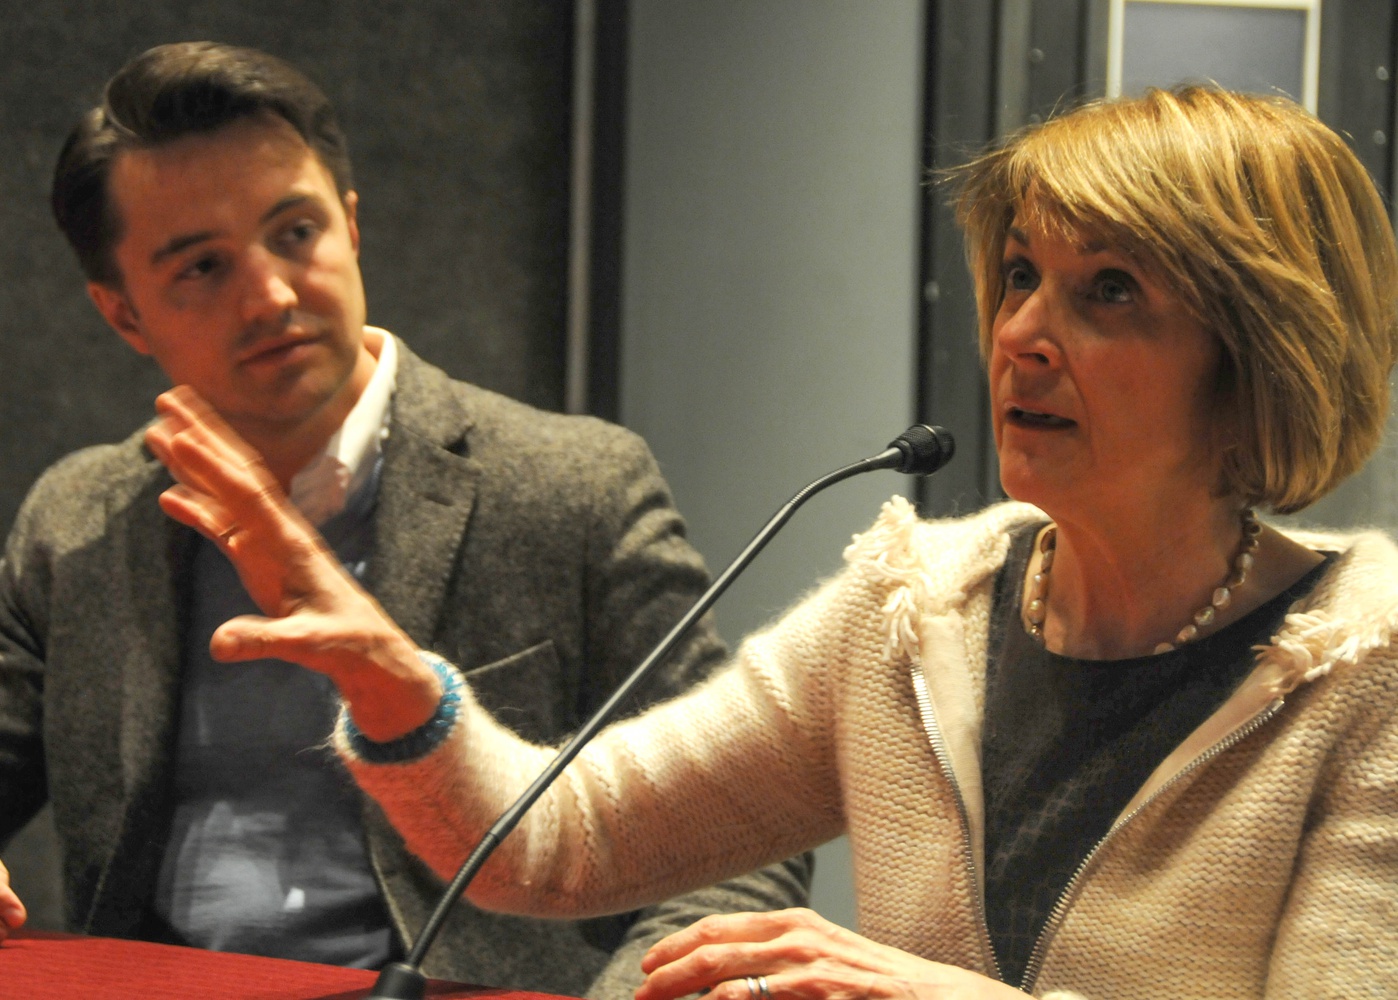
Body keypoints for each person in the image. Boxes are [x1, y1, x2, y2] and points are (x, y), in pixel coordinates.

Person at [131, 86, 1398, 999]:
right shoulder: (919, 609)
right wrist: (393, 682)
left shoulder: (1366, 670)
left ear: (1258, 350)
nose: (1021, 334)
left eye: (1107, 290)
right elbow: (559, 845)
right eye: (1020, 275)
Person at [0, 41, 811, 996]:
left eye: (294, 233)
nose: (270, 294)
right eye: (203, 268)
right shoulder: (79, 519)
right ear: (122, 314)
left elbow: (732, 839)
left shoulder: (571, 485)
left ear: (350, 225)